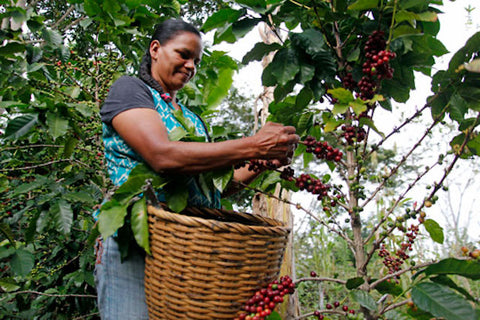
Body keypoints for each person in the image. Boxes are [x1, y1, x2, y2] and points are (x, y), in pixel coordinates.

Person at [94, 18, 299, 320]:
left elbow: (214, 189)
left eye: (196, 61)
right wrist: (253, 146)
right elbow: (162, 155)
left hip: (184, 251)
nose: (190, 65)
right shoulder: (131, 90)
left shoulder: (192, 120)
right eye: (183, 54)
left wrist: (260, 164)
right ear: (155, 49)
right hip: (134, 241)